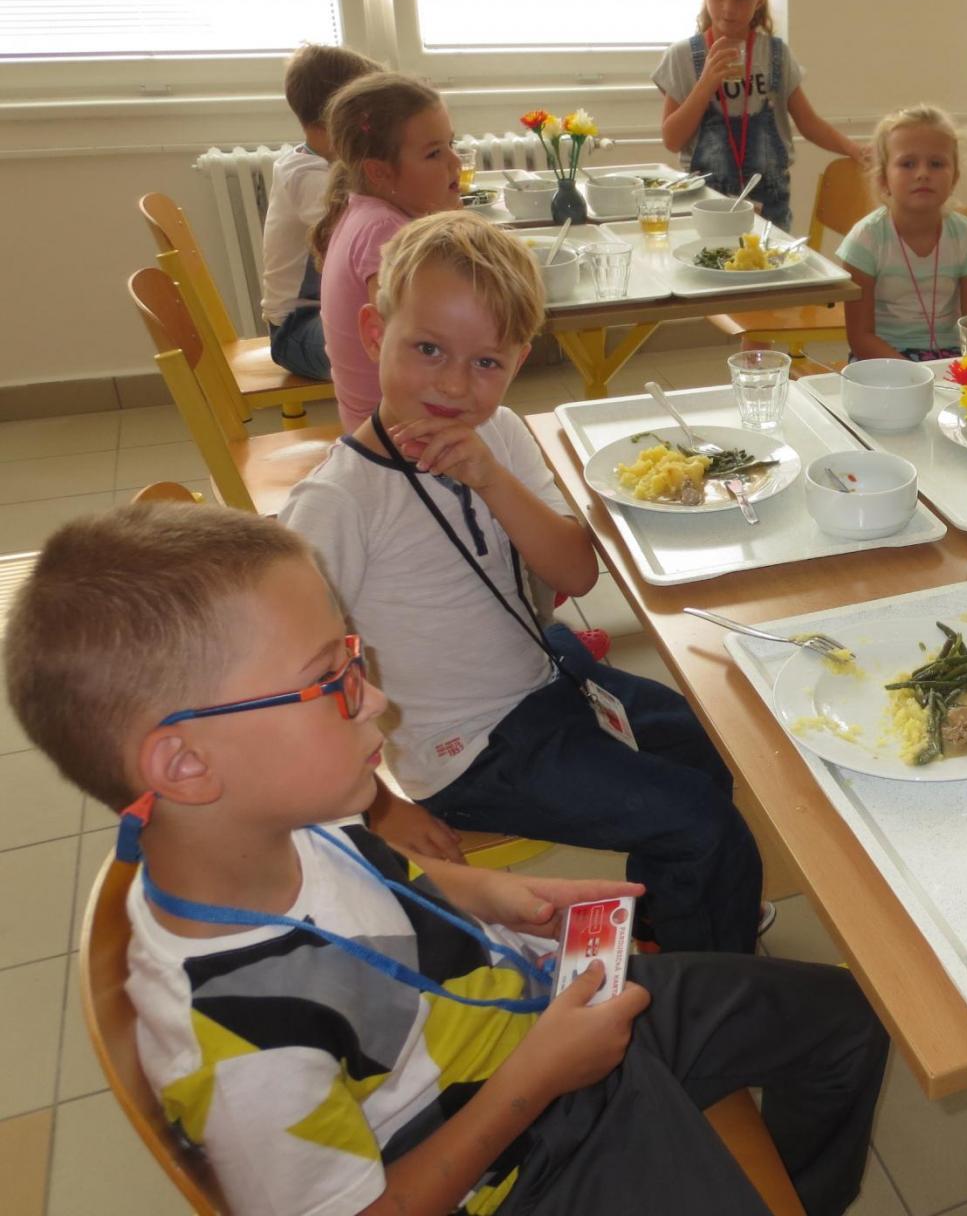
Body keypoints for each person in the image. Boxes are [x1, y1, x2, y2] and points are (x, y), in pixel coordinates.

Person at [2, 502, 889, 1216]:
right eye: (331, 679)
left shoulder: (277, 820)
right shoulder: (242, 1053)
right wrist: (537, 1079)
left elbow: (378, 879)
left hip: (536, 1019)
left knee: (852, 1021)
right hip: (518, 1167)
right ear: (186, 765)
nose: (375, 701)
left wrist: (494, 897)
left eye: (353, 660)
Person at [282, 211, 765, 954]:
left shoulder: (500, 434)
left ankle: (673, 926)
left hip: (544, 678)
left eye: (486, 363)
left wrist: (490, 476)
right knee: (700, 821)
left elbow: (574, 571)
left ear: (518, 361)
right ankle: (703, 983)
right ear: (375, 334)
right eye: (428, 349)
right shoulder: (339, 503)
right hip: (468, 751)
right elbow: (293, 684)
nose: (453, 384)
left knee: (705, 742)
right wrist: (377, 805)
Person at [653, 0, 865, 233]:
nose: (728, 8)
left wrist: (854, 149)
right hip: (706, 211)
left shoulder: (776, 55)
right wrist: (705, 84)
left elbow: (809, 123)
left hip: (770, 213)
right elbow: (672, 139)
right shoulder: (682, 56)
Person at [313, 71, 462, 431]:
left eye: (451, 144)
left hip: (382, 425)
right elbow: (417, 354)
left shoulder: (366, 212)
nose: (455, 162)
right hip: (398, 437)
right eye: (434, 153)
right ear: (379, 172)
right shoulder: (384, 232)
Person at [262, 44, 382, 381]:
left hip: (328, 314)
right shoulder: (306, 174)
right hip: (296, 329)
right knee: (393, 347)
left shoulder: (330, 164)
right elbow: (358, 239)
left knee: (413, 338)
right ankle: (385, 415)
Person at [838, 105, 967, 362]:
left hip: (949, 358)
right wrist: (914, 374)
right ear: (883, 179)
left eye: (936, 164)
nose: (923, 174)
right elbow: (860, 338)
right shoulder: (865, 240)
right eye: (907, 164)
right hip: (882, 360)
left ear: (954, 177)